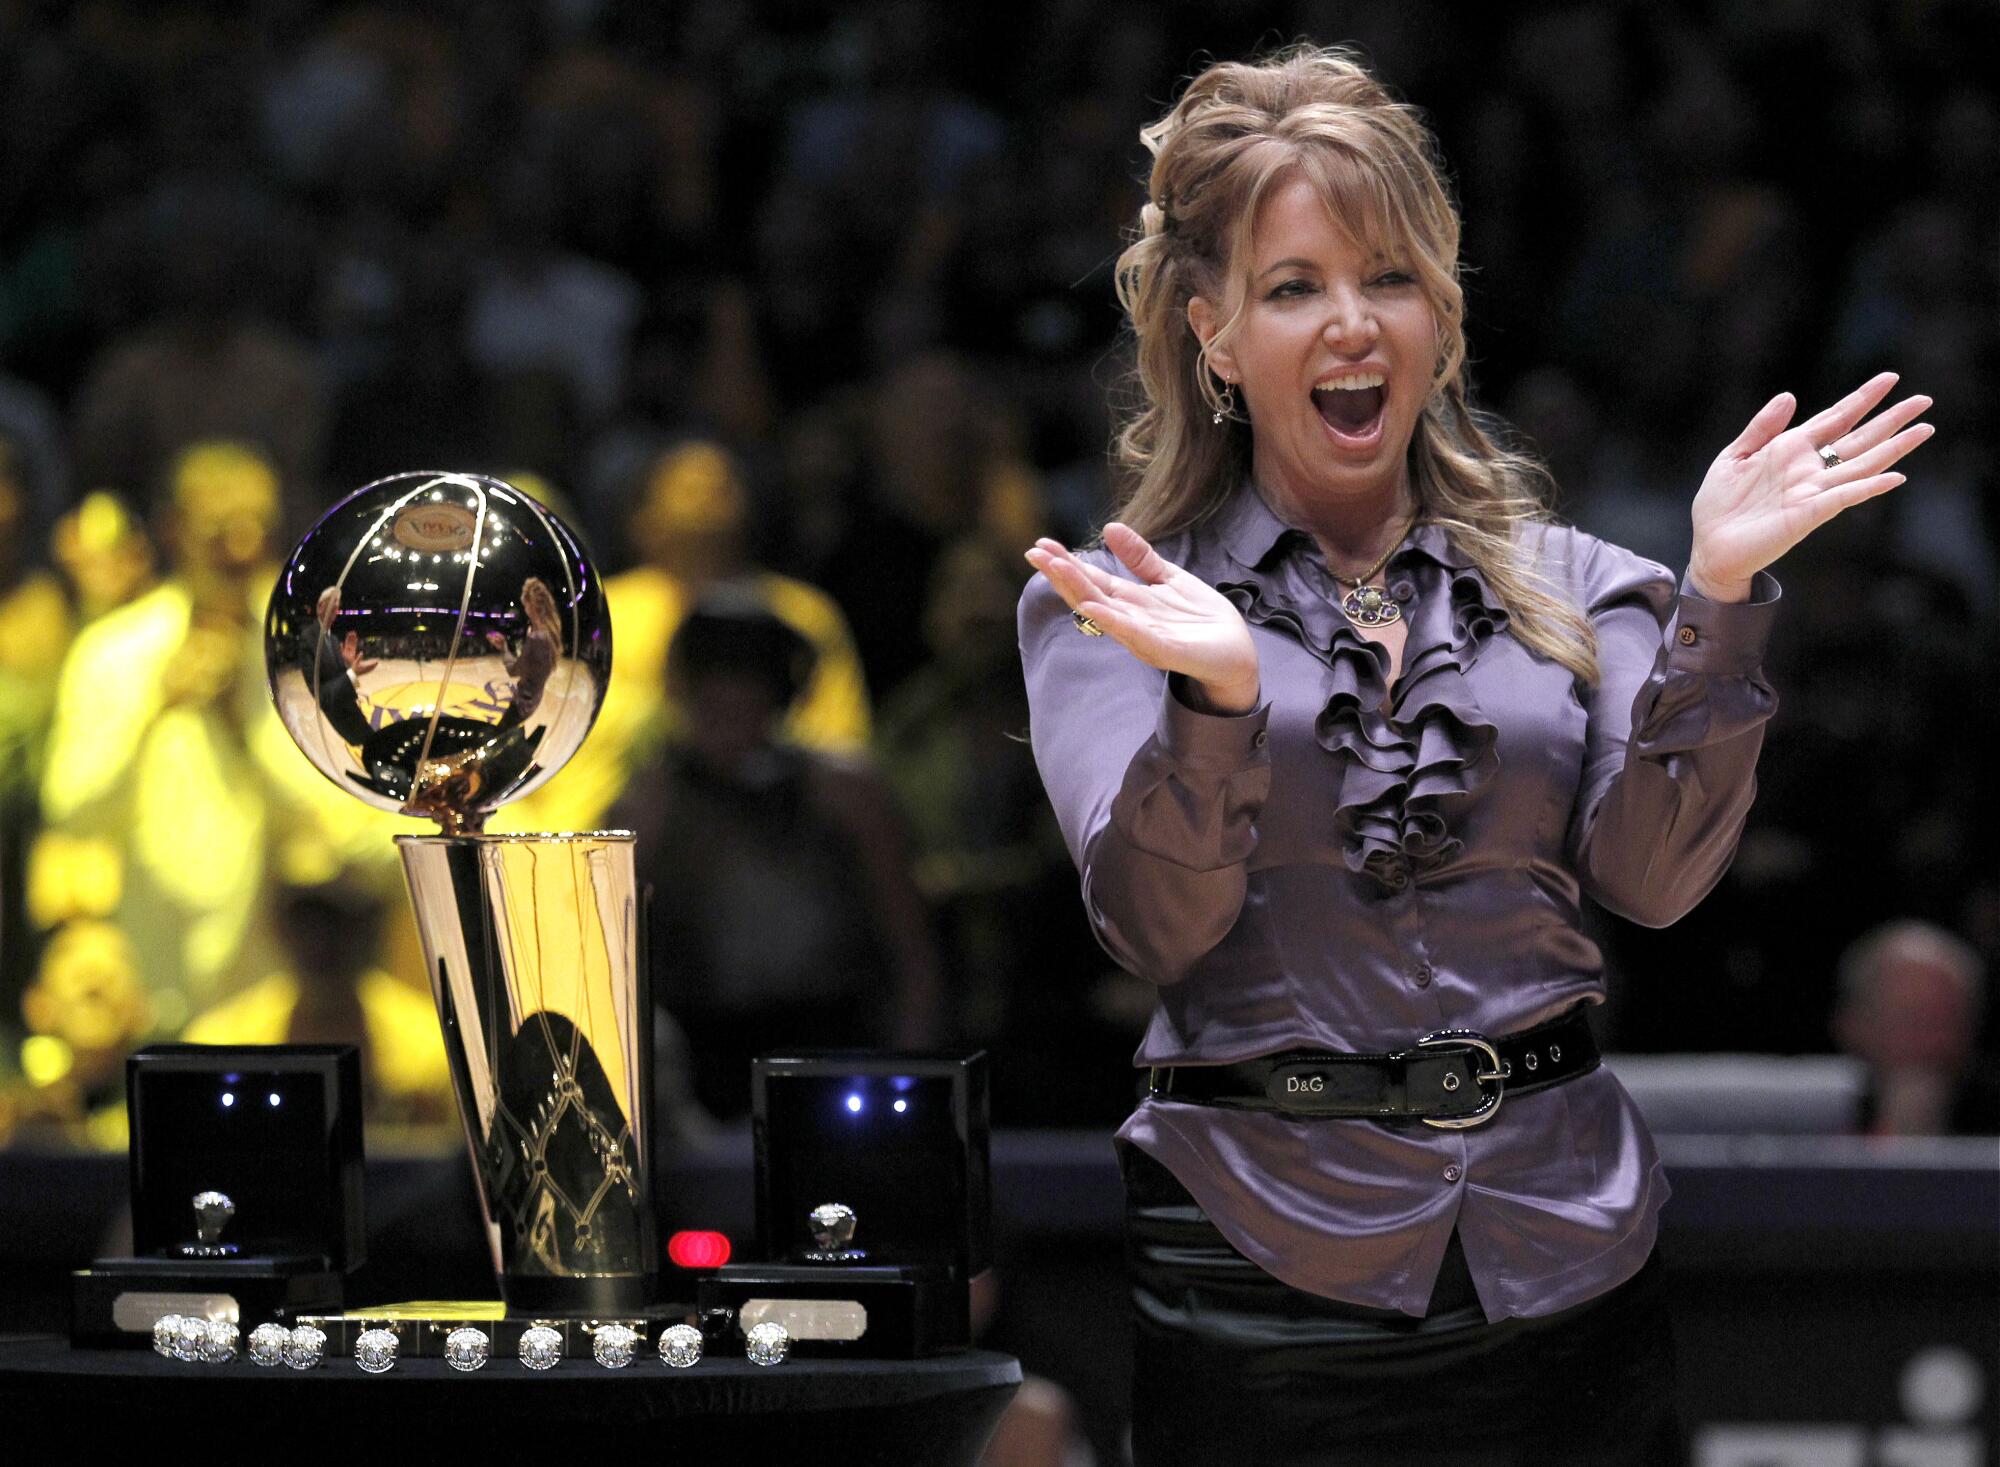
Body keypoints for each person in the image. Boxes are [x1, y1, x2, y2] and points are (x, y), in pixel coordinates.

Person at [1017, 45, 1935, 1467]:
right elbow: (1157, 923)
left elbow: (1655, 880)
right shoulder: (1116, 603)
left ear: (1442, 320)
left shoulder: (1587, 586)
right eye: (1294, 287)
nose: (1353, 325)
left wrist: (1724, 597)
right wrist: (1214, 699)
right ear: (1211, 335)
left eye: (1391, 279)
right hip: (1266, 1258)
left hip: (1567, 1248)